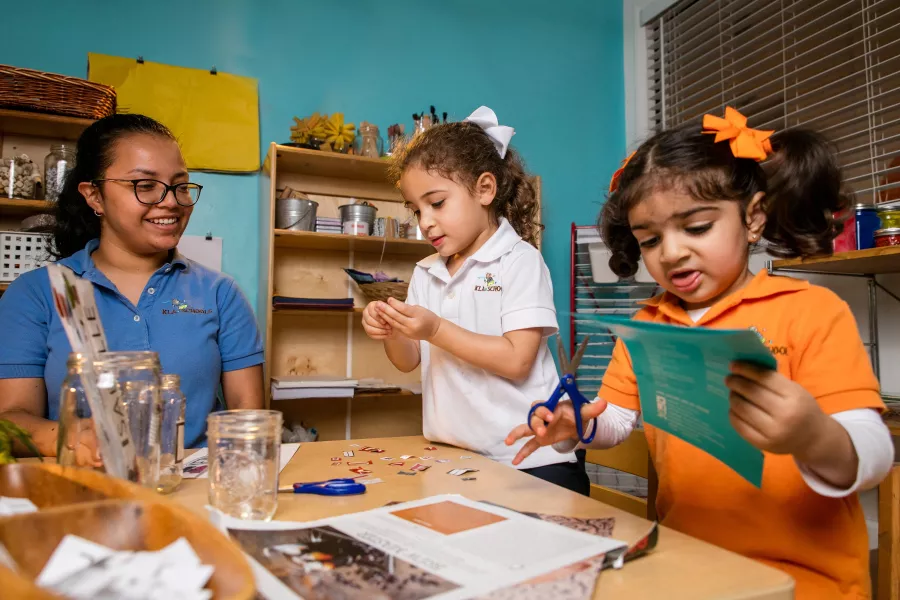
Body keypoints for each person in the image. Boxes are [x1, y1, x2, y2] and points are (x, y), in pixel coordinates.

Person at [506, 107, 895, 599]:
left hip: (805, 582)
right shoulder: (648, 323)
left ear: (752, 218)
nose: (671, 253)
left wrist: (813, 434)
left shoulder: (811, 311)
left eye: (696, 228)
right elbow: (618, 420)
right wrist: (578, 425)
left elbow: (876, 453)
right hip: (690, 570)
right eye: (651, 239)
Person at [0, 114, 264, 464]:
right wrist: (73, 437)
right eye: (144, 185)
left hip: (191, 490)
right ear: (94, 196)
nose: (170, 201)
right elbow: (12, 419)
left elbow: (248, 415)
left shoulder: (220, 293)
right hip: (83, 491)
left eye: (180, 185)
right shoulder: (37, 294)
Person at [361, 106, 589, 495]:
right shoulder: (426, 271)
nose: (425, 222)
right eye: (416, 210)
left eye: (437, 203)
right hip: (457, 459)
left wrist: (434, 328)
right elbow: (407, 361)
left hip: (530, 461)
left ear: (485, 189)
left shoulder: (519, 260)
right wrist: (391, 331)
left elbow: (517, 361)